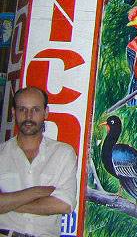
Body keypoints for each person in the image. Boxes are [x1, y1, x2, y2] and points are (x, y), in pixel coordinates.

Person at [0, 86, 78, 237]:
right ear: (14, 112)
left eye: (35, 109)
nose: (28, 116)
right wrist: (36, 192)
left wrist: (8, 203)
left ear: (45, 112)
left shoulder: (63, 153)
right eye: (22, 109)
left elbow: (64, 204)